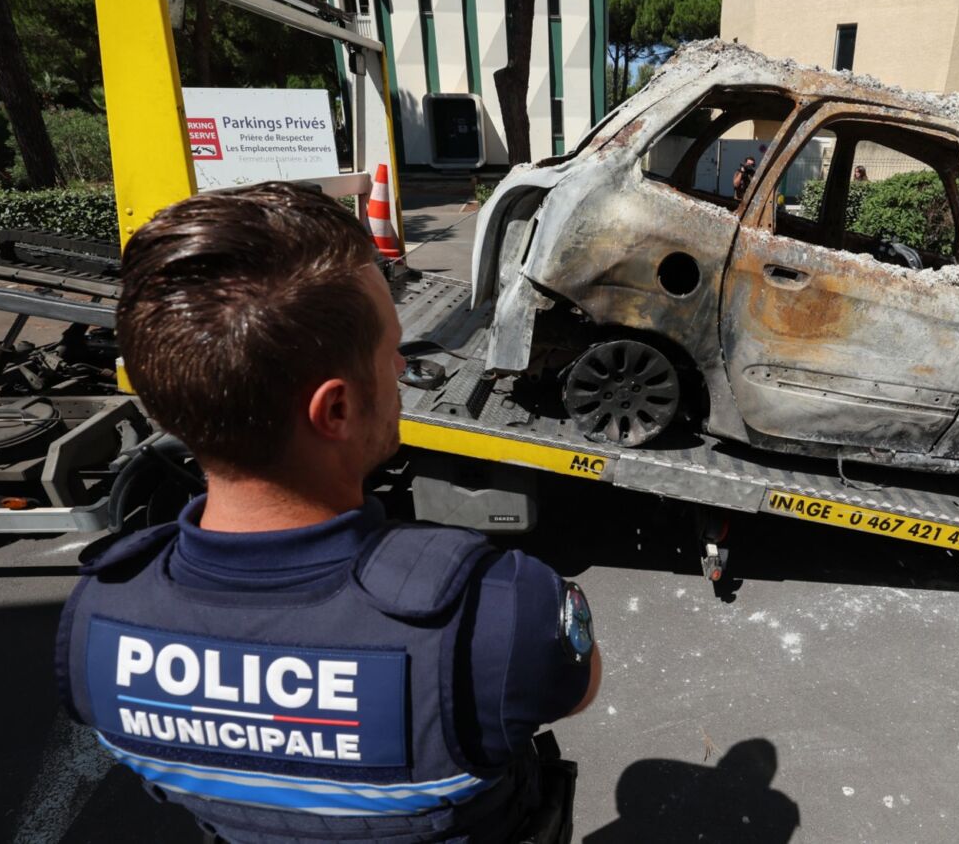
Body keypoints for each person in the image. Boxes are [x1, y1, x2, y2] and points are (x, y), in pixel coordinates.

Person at [57, 182, 600, 843]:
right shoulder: (493, 614)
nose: (401, 366)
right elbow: (577, 688)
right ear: (335, 410)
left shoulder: (96, 621)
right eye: (390, 352)